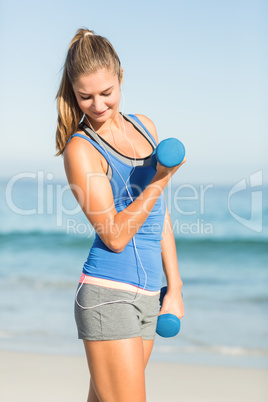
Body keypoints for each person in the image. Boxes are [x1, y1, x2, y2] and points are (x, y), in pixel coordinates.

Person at [56, 28, 185, 402]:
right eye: (85, 96)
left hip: (148, 297)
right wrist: (160, 180)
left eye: (106, 93)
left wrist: (174, 289)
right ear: (73, 92)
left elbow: (159, 217)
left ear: (121, 78)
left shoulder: (145, 127)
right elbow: (114, 234)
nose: (97, 105)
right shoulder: (81, 150)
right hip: (108, 296)